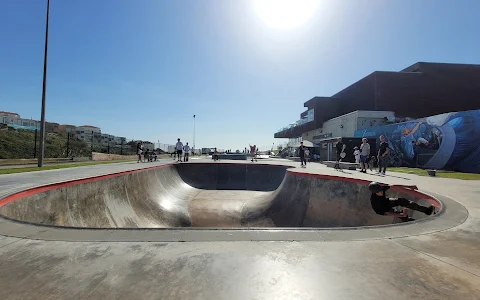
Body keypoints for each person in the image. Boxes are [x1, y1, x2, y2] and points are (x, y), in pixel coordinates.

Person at [368, 182, 435, 220]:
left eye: (381, 191)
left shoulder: (381, 188)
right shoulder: (375, 201)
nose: (381, 193)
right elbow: (385, 213)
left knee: (402, 201)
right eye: (378, 192)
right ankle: (412, 222)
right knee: (401, 215)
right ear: (374, 193)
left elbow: (393, 186)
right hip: (383, 210)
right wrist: (399, 214)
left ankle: (426, 210)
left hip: (386, 201)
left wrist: (409, 186)